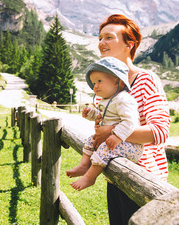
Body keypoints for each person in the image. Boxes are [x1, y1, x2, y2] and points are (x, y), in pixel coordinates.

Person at [92, 14, 170, 225]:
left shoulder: (146, 80)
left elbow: (160, 132)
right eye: (100, 38)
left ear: (130, 44)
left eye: (109, 37)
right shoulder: (106, 86)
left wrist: (110, 131)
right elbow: (101, 129)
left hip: (144, 179)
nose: (101, 43)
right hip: (115, 175)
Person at [66, 57, 143, 191]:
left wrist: (117, 136)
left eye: (99, 81)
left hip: (132, 146)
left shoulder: (124, 99)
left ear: (117, 81)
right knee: (91, 140)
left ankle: (90, 177)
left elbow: (130, 122)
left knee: (105, 148)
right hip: (118, 141)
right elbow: (102, 116)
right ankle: (84, 165)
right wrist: (91, 113)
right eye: (94, 82)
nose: (95, 86)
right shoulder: (106, 100)